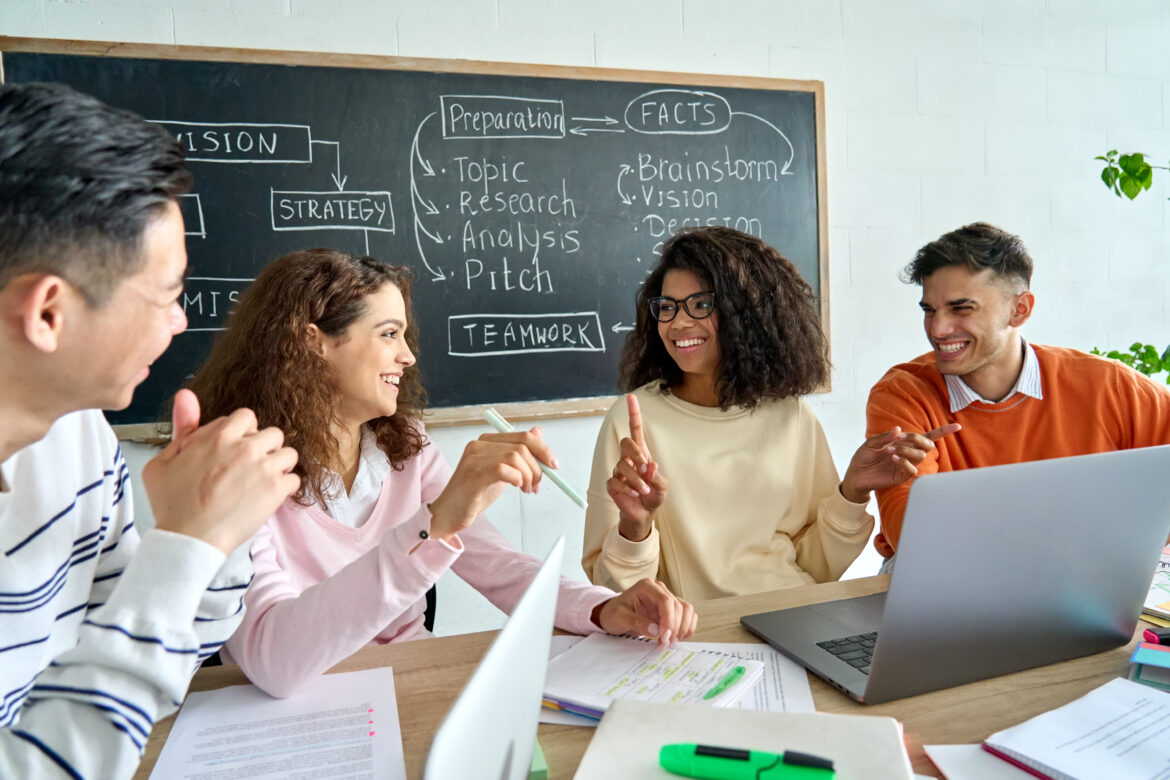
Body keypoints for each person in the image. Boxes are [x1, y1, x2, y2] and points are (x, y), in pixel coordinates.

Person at [185, 248, 698, 699]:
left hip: (411, 684)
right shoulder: (236, 468)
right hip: (293, 715)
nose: (407, 356)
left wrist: (604, 609)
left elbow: (501, 568)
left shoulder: (406, 447)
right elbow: (273, 659)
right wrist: (436, 525)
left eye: (404, 335)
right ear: (312, 341)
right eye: (388, 334)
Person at [0, 83, 299, 778]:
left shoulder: (78, 435)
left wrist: (214, 535)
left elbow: (143, 664)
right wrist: (186, 545)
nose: (180, 322)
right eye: (167, 295)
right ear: (49, 312)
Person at [581, 227, 954, 601]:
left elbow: (815, 569)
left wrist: (853, 491)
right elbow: (613, 593)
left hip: (790, 616)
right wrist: (635, 527)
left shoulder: (791, 416)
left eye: (699, 305)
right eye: (667, 307)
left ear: (745, 313)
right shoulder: (633, 421)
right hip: (694, 634)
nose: (677, 322)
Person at [866, 221, 1170, 562]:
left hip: (1084, 569)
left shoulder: (1113, 387)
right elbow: (912, 537)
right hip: (945, 572)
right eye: (929, 310)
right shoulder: (903, 394)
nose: (938, 329)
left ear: (1020, 309)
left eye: (961, 308)